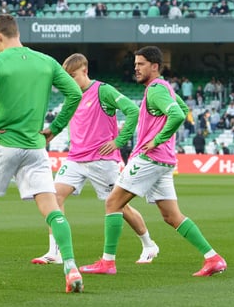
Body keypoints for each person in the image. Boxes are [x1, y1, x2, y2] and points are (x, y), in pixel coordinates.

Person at [0, 15, 84, 292]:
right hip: (35, 147)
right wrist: (54, 129)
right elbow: (74, 93)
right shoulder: (46, 61)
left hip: (4, 143)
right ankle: (70, 266)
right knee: (51, 209)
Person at [96, 46, 227, 278]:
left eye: (141, 64)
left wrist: (157, 139)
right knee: (171, 216)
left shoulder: (155, 90)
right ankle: (213, 258)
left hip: (150, 158)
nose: (136, 68)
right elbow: (183, 109)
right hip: (163, 162)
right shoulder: (164, 87)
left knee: (112, 202)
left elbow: (177, 115)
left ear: (154, 66)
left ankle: (107, 262)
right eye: (135, 64)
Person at [26, 54, 159, 271]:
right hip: (75, 158)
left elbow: (133, 111)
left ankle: (148, 244)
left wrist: (119, 141)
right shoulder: (72, 96)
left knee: (120, 207)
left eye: (73, 76)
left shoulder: (102, 90)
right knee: (54, 196)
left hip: (102, 161)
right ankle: (54, 252)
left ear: (85, 71)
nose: (69, 81)